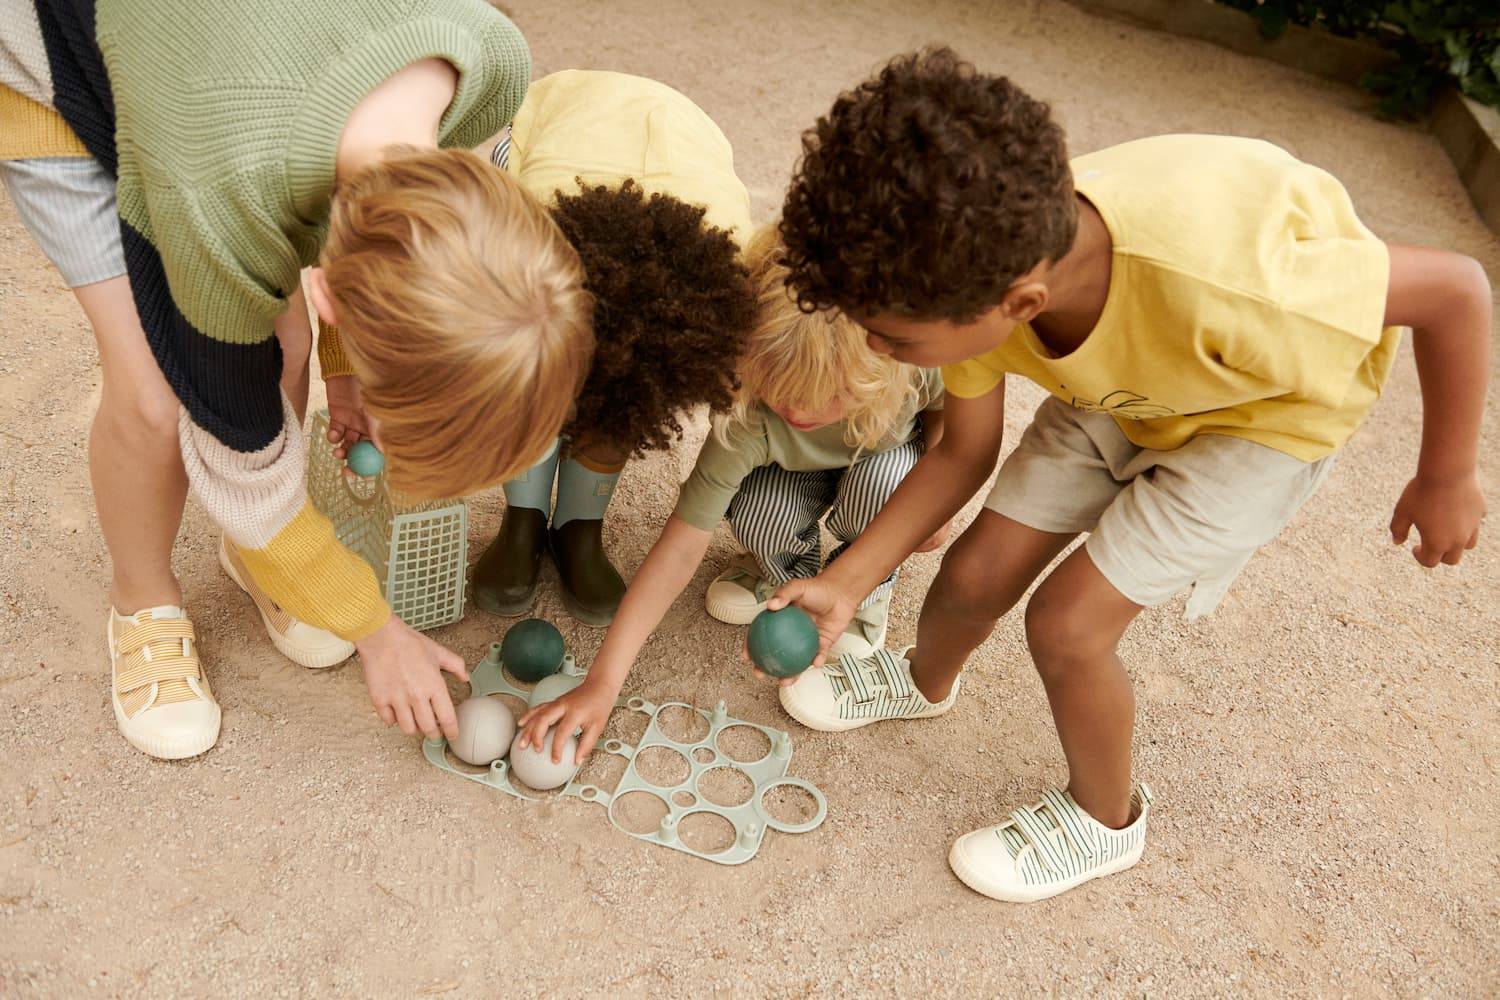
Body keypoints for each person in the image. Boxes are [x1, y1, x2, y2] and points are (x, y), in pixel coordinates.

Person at [765, 48, 1490, 902]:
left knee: (1067, 626)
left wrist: (1446, 472)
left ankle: (1104, 819)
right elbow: (964, 451)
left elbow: (1456, 289)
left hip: (1262, 422)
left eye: (896, 341)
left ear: (1019, 306)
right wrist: (848, 582)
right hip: (1123, 385)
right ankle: (923, 680)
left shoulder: (1235, 283)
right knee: (973, 573)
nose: (878, 351)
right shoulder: (974, 262)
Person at [1, 1, 591, 759]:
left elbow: (365, 228)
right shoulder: (222, 201)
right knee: (151, 394)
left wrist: (348, 378)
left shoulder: (491, 67)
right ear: (330, 297)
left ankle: (263, 554)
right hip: (69, 67)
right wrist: (376, 631)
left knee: (278, 339)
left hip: (221, 76)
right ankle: (142, 603)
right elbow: (244, 459)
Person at [516, 224, 949, 761]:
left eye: (823, 398)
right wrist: (603, 681)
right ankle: (792, 583)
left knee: (887, 489)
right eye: (779, 392)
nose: (798, 413)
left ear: (871, 369)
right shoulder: (747, 416)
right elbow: (681, 542)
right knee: (756, 506)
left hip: (879, 460)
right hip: (793, 476)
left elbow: (944, 421)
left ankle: (863, 587)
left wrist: (935, 499)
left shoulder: (910, 362)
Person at [469, 69, 757, 628]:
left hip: (686, 146)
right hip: (557, 128)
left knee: (622, 399)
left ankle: (580, 523)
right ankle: (522, 519)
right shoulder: (522, 237)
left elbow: (641, 382)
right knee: (534, 380)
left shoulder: (724, 270)